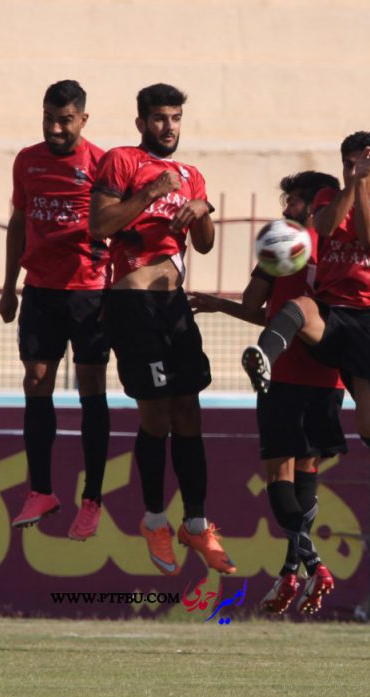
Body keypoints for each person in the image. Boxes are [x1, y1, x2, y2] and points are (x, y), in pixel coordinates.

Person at [89, 83, 235, 576]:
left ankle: (195, 523)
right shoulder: (122, 161)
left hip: (175, 307)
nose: (168, 127)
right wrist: (151, 193)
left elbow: (207, 244)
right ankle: (154, 520)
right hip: (133, 306)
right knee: (156, 419)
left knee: (189, 415)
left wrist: (201, 216)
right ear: (141, 123)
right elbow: (99, 225)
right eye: (159, 118)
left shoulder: (192, 175)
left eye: (174, 118)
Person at [190, 171, 344, 614]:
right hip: (313, 373)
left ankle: (309, 565)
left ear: (319, 203)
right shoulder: (307, 245)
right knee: (304, 473)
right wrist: (219, 304)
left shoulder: (312, 244)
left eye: (296, 201)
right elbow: (266, 311)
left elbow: (274, 310)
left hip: (290, 373)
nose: (286, 209)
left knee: (282, 474)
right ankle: (292, 571)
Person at [241, 131, 370, 532]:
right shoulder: (327, 200)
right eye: (348, 163)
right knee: (298, 308)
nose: (356, 170)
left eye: (366, 166)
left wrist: (360, 188)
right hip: (332, 312)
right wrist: (352, 184)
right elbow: (329, 227)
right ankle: (264, 355)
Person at [0, 80, 110, 541]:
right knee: (35, 382)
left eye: (65, 120)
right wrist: (8, 288)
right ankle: (41, 490)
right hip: (40, 290)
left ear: (83, 119)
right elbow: (19, 223)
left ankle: (93, 497)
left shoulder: (102, 163)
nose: (55, 127)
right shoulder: (27, 160)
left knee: (91, 389)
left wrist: (115, 290)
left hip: (88, 291)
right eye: (49, 117)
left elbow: (119, 228)